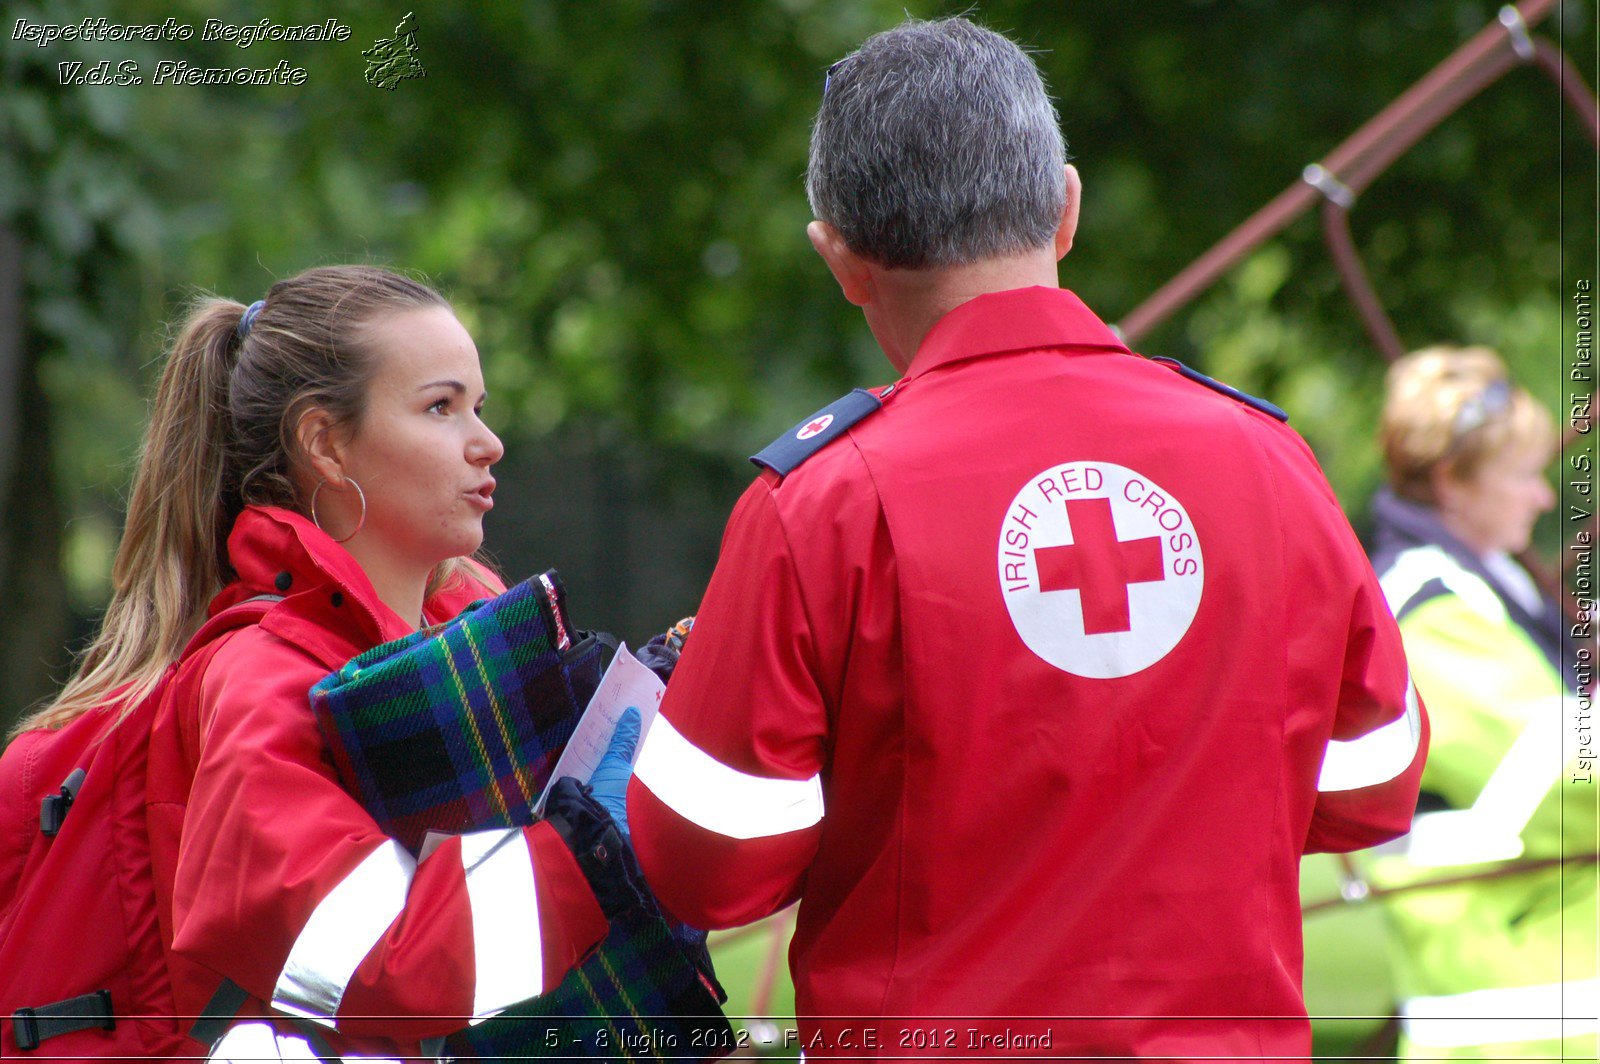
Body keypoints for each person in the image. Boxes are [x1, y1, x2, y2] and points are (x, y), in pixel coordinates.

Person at [620, 16, 1428, 1059]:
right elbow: (1371, 784)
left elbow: (713, 863)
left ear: (840, 258)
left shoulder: (821, 501)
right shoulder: (1265, 457)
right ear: (1066, 207)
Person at [7, 266, 621, 1061]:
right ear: (325, 444)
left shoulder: (472, 625)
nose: (487, 442)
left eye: (479, 406)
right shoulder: (259, 682)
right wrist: (596, 850)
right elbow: (376, 965)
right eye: (440, 407)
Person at [1363, 347, 1595, 1060]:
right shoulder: (1428, 613)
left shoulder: (1483, 592)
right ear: (1451, 484)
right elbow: (1567, 783)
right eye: (1524, 474)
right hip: (1513, 1018)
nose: (1545, 497)